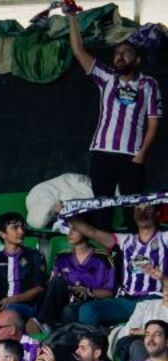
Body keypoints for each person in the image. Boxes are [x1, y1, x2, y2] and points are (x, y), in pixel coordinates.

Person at [68, 10, 161, 213]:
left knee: (133, 212)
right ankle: (107, 246)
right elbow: (78, 51)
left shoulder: (148, 84)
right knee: (102, 211)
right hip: (101, 154)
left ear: (136, 60)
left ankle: (132, 245)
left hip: (131, 156)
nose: (119, 57)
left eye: (125, 53)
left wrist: (141, 154)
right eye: (117, 53)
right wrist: (72, 17)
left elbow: (154, 124)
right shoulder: (107, 77)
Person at [71, 205, 168, 327]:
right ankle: (90, 343)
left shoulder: (165, 238)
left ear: (157, 213)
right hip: (126, 300)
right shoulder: (126, 240)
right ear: (133, 215)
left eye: (148, 209)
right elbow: (92, 232)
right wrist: (67, 215)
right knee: (88, 310)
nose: (142, 214)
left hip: (152, 299)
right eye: (138, 210)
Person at [0, 211, 47, 326]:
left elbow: (39, 288)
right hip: (0, 308)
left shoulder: (34, 256)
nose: (21, 232)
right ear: (3, 234)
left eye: (22, 227)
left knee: (12, 310)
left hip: (26, 306)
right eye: (15, 228)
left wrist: (15, 299)